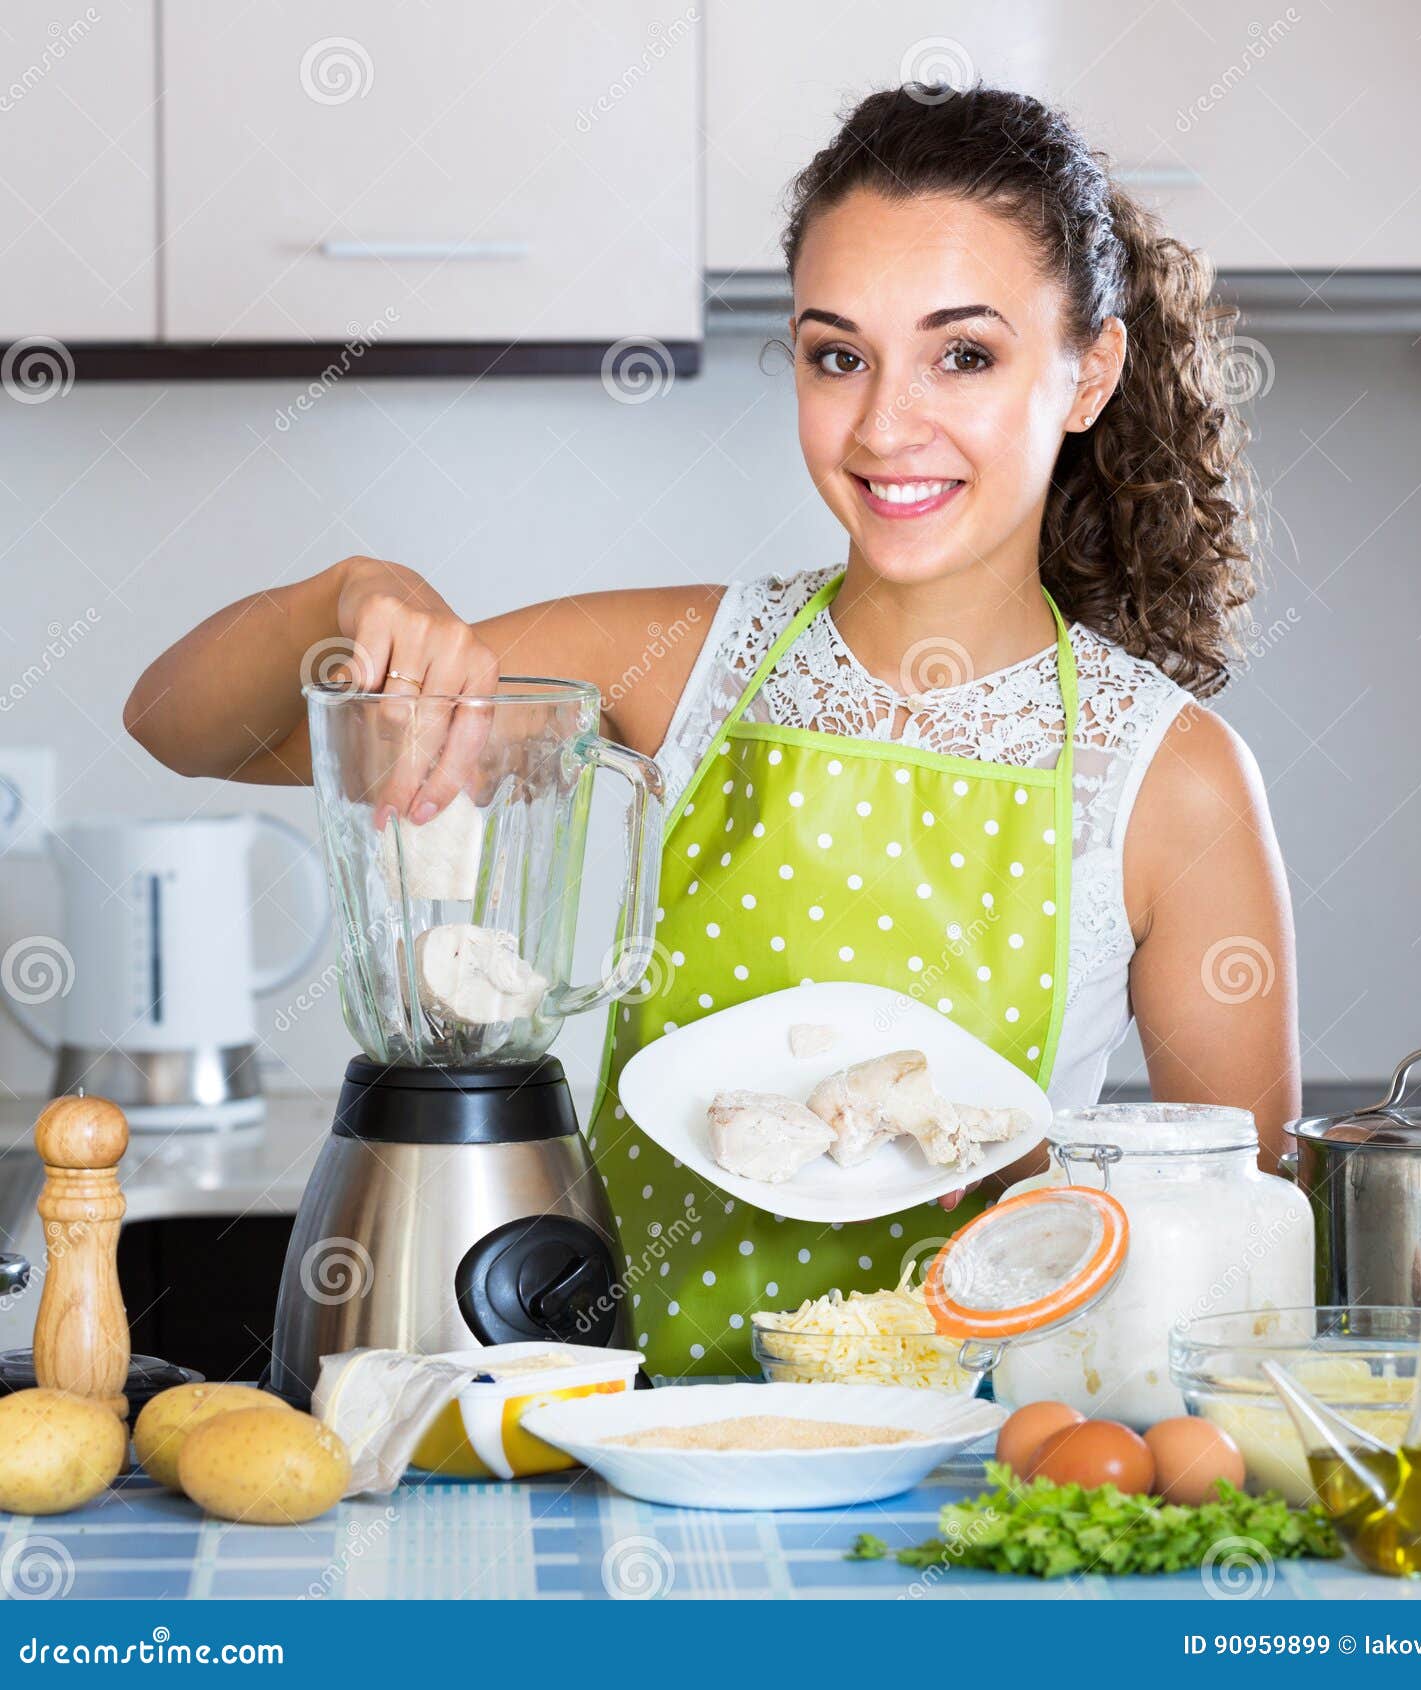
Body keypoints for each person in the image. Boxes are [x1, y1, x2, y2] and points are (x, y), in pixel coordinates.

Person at [126, 86, 1297, 1376]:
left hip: (973, 1479)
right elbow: (183, 728)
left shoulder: (1169, 778)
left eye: (964, 354)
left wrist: (992, 1158)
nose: (883, 426)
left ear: (1090, 373)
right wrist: (351, 594)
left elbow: (1236, 1275)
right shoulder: (670, 669)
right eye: (836, 354)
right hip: (629, 1451)